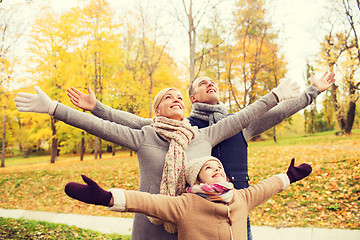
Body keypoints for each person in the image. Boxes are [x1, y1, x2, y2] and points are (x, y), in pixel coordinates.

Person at [14, 81, 298, 240]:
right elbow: (97, 127)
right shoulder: (145, 136)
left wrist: (275, 96)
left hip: (196, 229)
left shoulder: (203, 136)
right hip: (151, 226)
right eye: (168, 97)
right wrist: (53, 107)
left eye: (179, 97)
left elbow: (244, 116)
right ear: (157, 109)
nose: (176, 99)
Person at [67, 72, 335, 239]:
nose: (211, 84)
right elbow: (135, 122)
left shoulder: (240, 123)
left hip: (235, 209)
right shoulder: (184, 129)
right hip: (191, 215)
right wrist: (97, 108)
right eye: (203, 83)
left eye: (213, 82)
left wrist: (313, 92)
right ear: (192, 97)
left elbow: (280, 111)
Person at [64, 156, 312, 240]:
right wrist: (105, 197)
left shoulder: (240, 198)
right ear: (197, 181)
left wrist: (289, 176)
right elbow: (147, 202)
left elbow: (267, 187)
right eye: (209, 168)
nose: (217, 169)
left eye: (219, 166)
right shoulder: (186, 204)